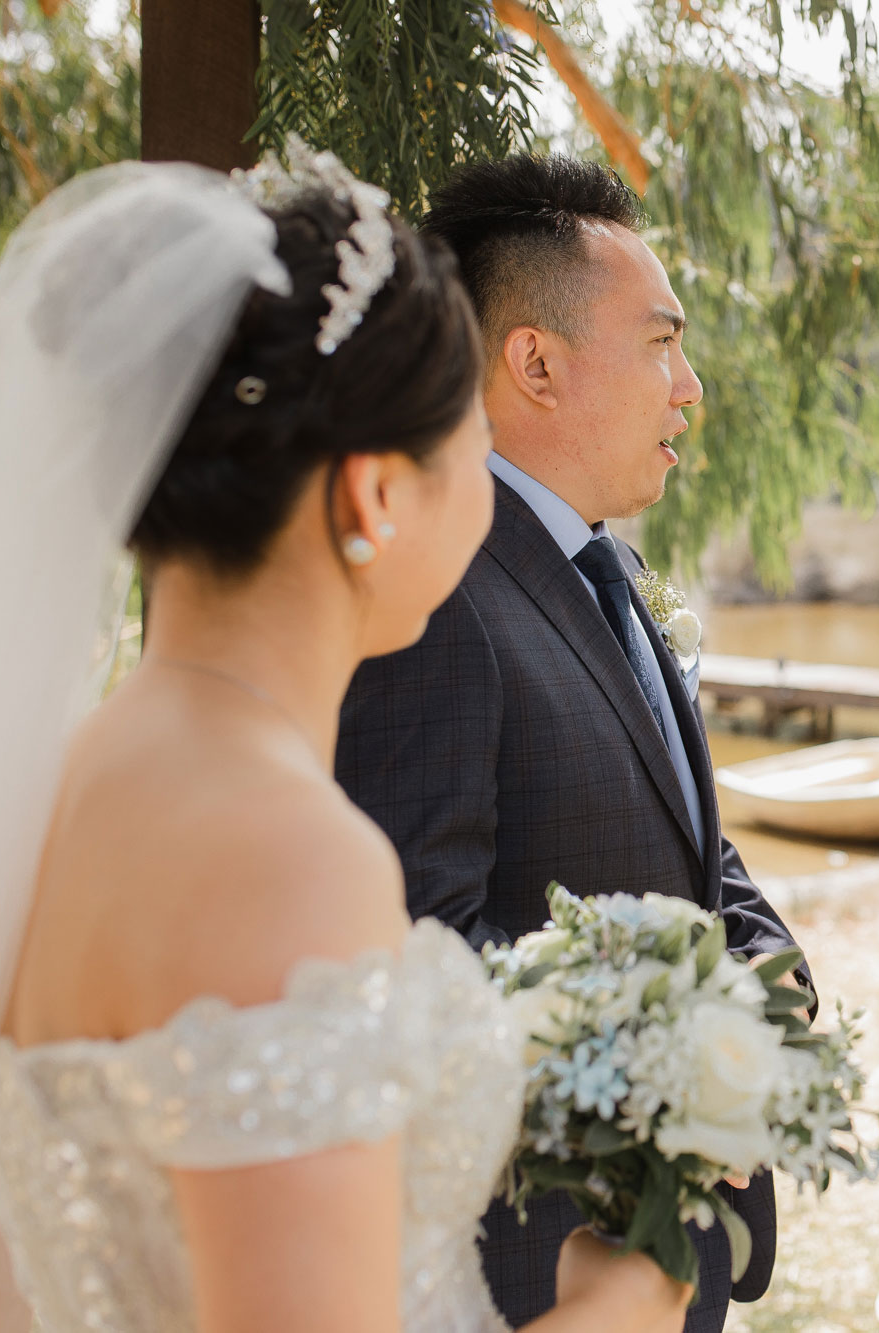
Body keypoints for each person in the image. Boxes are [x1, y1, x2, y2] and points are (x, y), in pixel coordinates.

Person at [0, 156, 692, 1332]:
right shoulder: (285, 852)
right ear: (378, 496)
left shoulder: (59, 786)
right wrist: (623, 1301)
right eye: (465, 447)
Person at [334, 155, 806, 1333]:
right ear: (534, 362)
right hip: (543, 1262)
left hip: (666, 1236)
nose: (688, 387)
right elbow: (422, 945)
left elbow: (679, 839)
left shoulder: (610, 567)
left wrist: (763, 962)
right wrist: (677, 1064)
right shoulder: (433, 599)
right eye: (660, 343)